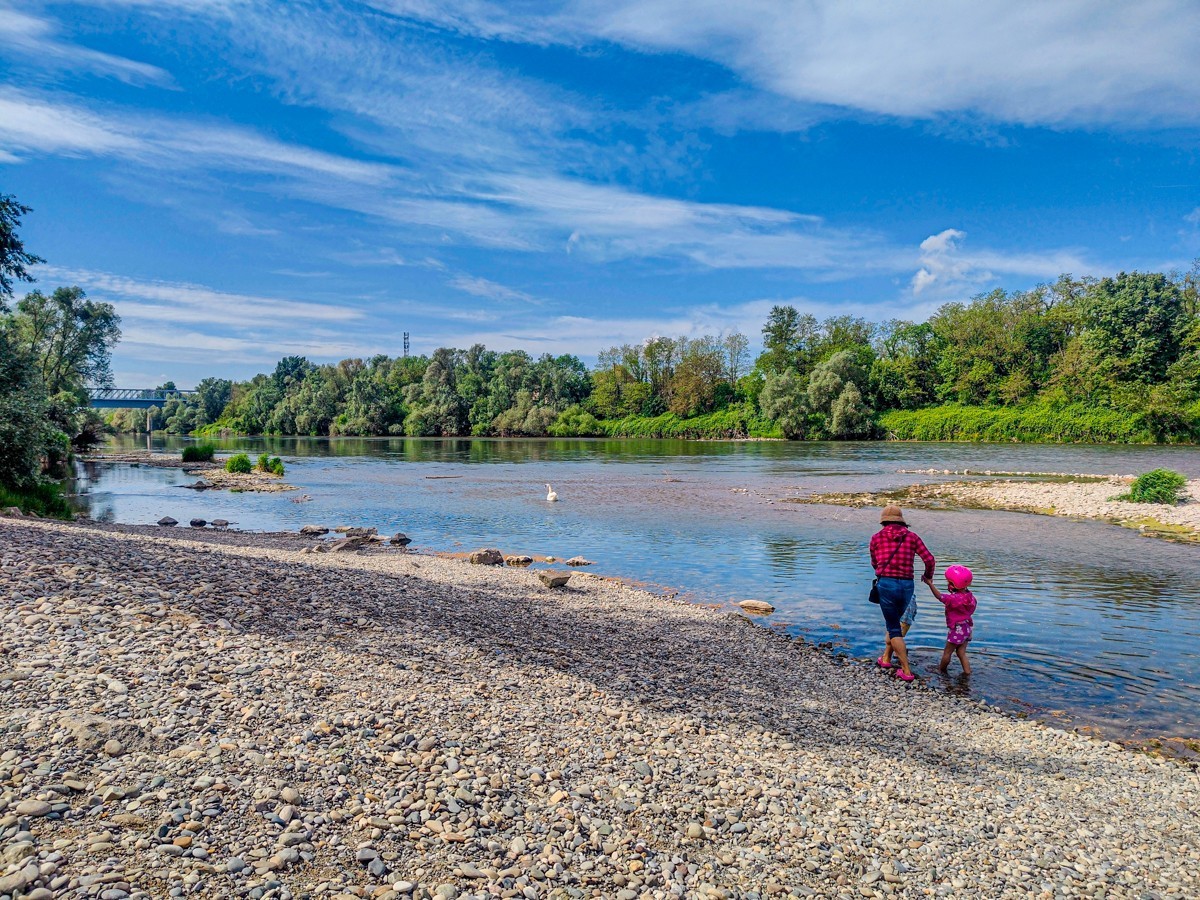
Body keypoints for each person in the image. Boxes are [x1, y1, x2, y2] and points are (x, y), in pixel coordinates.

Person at [871, 505, 935, 681]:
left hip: (886, 584)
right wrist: (928, 576)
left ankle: (906, 671)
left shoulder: (876, 538)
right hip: (907, 585)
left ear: (884, 521)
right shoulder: (912, 537)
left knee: (893, 628)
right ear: (901, 521)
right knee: (897, 625)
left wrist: (882, 571)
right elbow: (929, 559)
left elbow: (874, 562)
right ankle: (886, 658)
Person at [925, 564, 977, 675]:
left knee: (947, 652)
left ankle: (941, 670)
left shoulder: (954, 599)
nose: (948, 584)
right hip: (967, 627)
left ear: (954, 585)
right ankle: (967, 673)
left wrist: (930, 584)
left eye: (950, 582)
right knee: (961, 652)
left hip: (957, 629)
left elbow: (940, 597)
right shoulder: (970, 597)